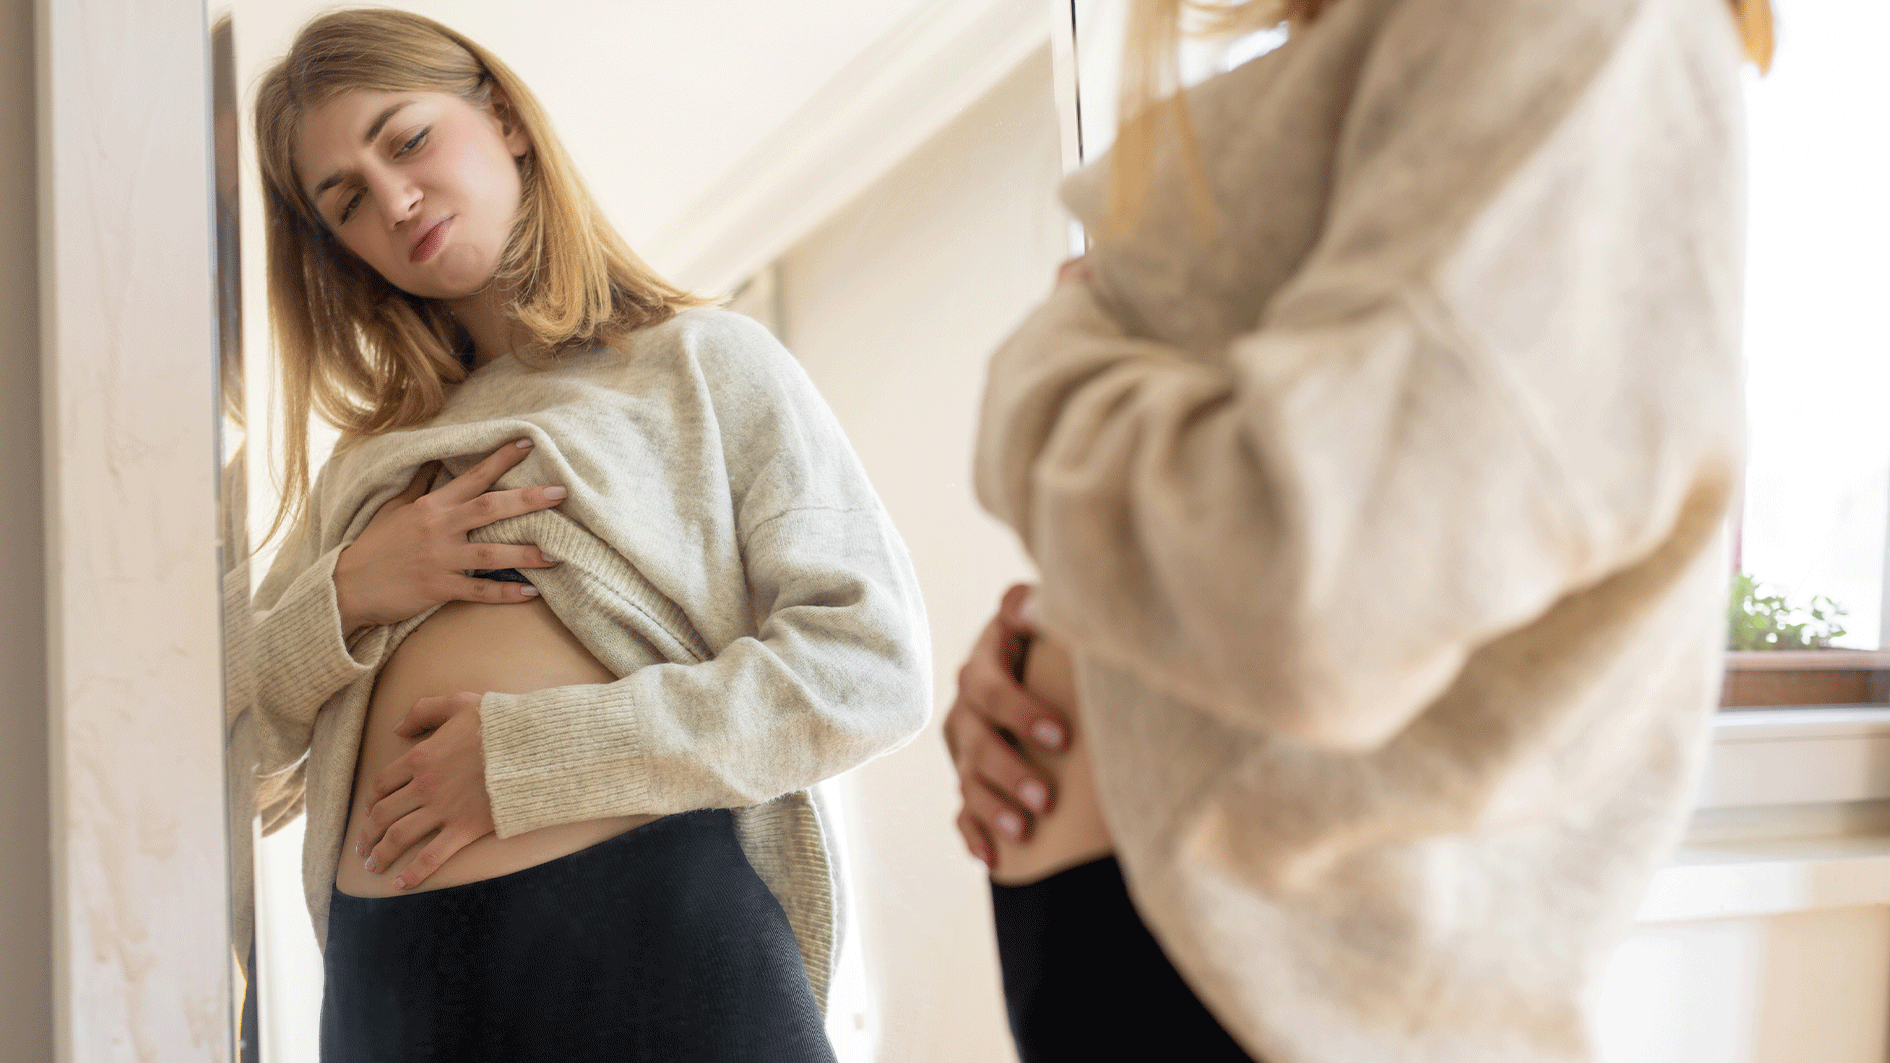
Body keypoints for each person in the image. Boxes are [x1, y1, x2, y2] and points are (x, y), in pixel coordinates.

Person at [947, 0, 1771, 1060]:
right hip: (1177, 959)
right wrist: (1081, 641)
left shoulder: (1574, 24)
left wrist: (1043, 365)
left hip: (1271, 993)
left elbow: (1310, 583)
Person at [233, 9, 930, 1061]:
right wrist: (348, 594)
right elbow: (212, 753)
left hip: (656, 946)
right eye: (348, 202)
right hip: (392, 988)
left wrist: (529, 760)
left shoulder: (705, 362)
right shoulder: (363, 468)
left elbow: (870, 670)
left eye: (407, 140)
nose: (396, 201)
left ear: (505, 118)